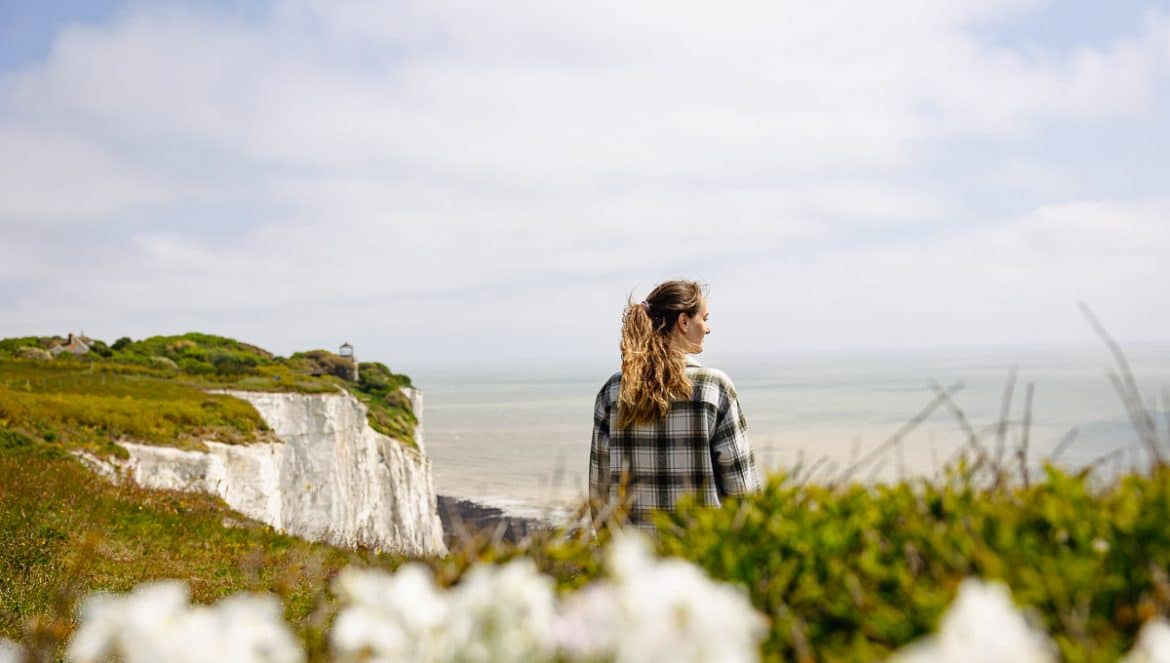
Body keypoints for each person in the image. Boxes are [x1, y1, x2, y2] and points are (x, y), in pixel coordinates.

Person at [589, 280, 762, 530]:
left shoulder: (612, 393)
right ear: (683, 321)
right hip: (697, 561)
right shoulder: (713, 388)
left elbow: (599, 495)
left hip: (632, 562)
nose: (708, 328)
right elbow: (743, 493)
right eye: (704, 318)